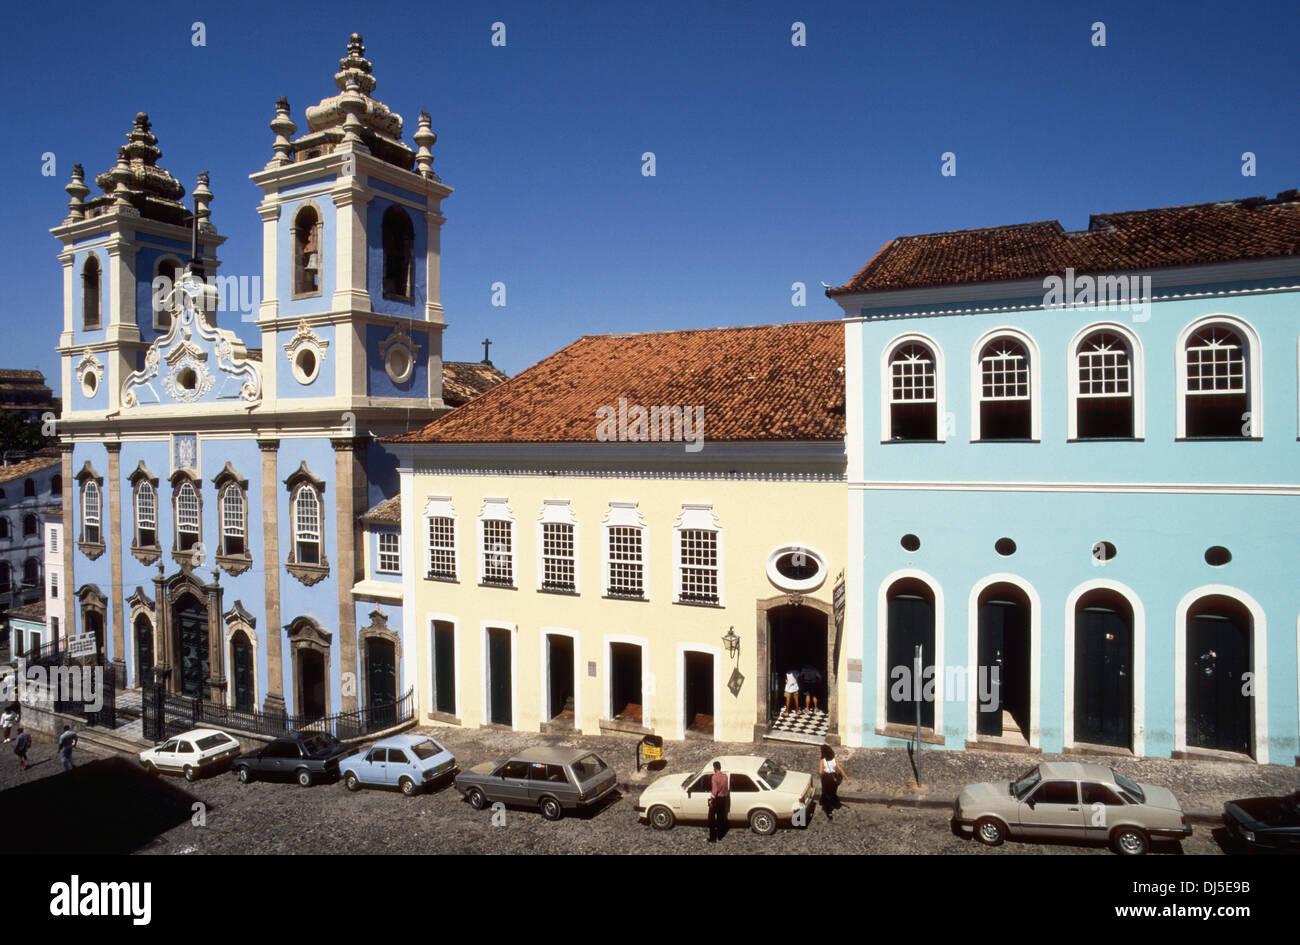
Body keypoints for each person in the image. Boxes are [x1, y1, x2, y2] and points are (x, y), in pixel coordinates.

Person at [818, 744, 851, 819]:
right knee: (832, 793)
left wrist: (822, 776)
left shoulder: (822, 760)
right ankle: (833, 804)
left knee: (826, 793)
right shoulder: (834, 759)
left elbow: (820, 772)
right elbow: (840, 769)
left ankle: (828, 810)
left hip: (826, 778)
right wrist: (847, 778)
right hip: (833, 778)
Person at [707, 760, 730, 843]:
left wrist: (711, 801)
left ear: (715, 768)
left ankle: (712, 838)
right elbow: (726, 789)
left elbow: (714, 790)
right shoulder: (725, 776)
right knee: (720, 818)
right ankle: (720, 835)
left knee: (711, 818)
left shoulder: (714, 777)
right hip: (723, 799)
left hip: (716, 800)